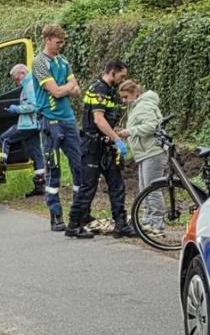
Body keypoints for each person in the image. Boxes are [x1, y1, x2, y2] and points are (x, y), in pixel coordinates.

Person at [68, 57, 133, 239]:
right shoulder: (99, 90)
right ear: (112, 72)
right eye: (122, 75)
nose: (123, 79)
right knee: (88, 186)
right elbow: (98, 119)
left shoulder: (109, 91)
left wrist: (114, 136)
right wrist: (116, 140)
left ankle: (121, 225)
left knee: (117, 184)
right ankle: (74, 224)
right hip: (93, 146)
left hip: (105, 145)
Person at [31, 24, 85, 234]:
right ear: (47, 39)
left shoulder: (63, 61)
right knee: (54, 169)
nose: (60, 46)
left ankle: (78, 211)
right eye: (57, 42)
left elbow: (77, 90)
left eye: (62, 42)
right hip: (50, 119)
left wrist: (65, 89)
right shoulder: (39, 63)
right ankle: (55, 215)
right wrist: (65, 89)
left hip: (68, 119)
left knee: (79, 164)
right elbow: (54, 91)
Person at [119, 79, 167, 234]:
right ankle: (147, 220)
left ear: (134, 93)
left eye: (126, 96)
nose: (123, 100)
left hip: (153, 152)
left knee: (152, 189)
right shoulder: (135, 106)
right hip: (144, 152)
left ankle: (157, 223)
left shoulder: (144, 105)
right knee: (144, 189)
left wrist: (130, 132)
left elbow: (151, 126)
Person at [0, 61, 45, 195]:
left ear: (23, 73)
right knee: (36, 153)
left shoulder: (29, 85)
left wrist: (17, 109)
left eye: (17, 79)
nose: (17, 83)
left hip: (28, 124)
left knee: (4, 138)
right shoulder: (31, 84)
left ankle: (0, 168)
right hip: (35, 124)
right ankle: (40, 184)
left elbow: (34, 106)